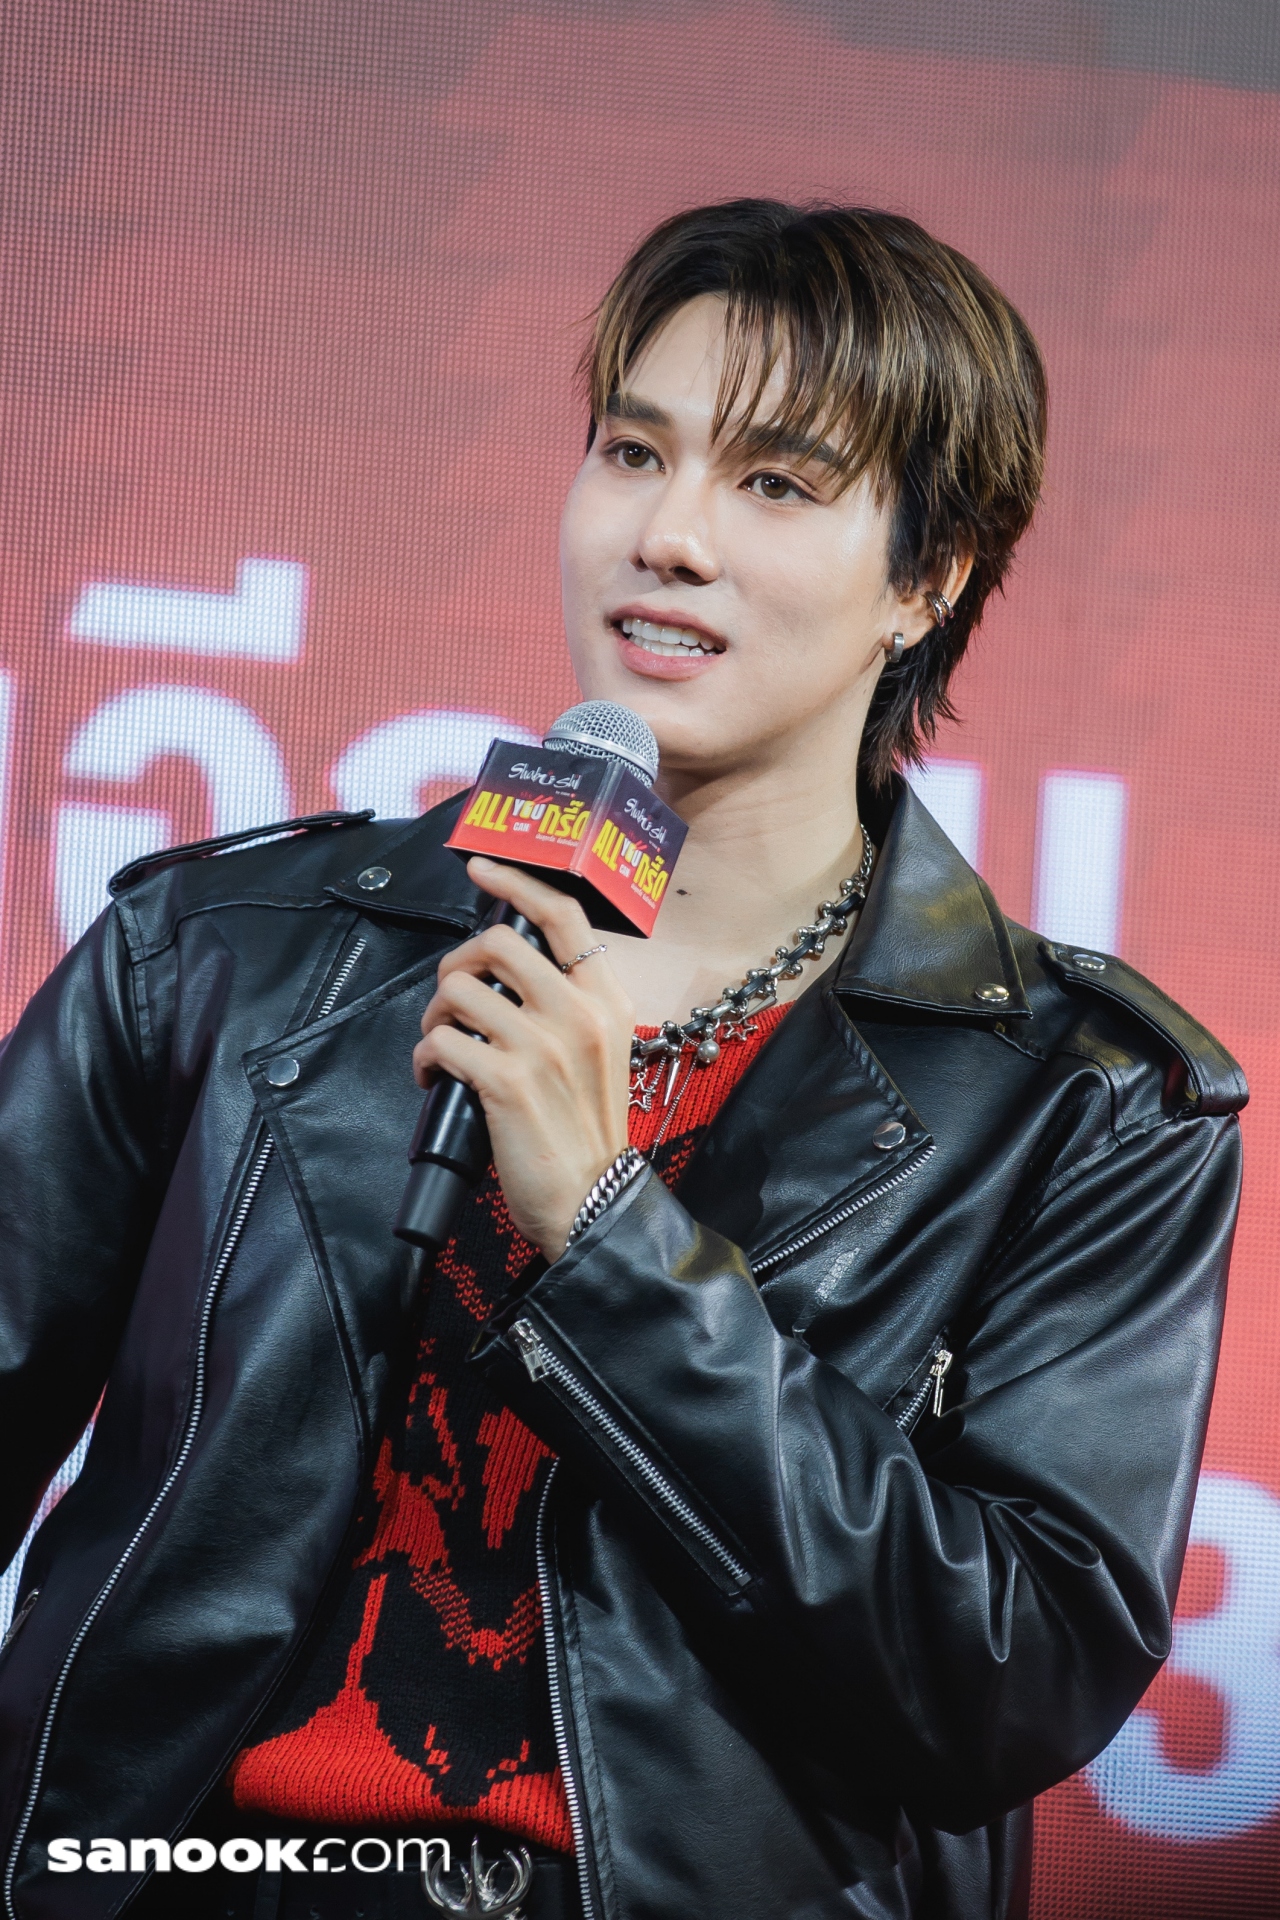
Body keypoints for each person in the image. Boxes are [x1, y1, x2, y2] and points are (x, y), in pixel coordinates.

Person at [0, 200, 1245, 1920]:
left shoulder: (1086, 1104)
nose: (667, 535)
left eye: (776, 485)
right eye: (634, 452)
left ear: (929, 577)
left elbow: (1007, 1683)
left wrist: (610, 1235)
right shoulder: (219, 954)